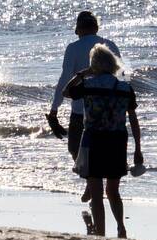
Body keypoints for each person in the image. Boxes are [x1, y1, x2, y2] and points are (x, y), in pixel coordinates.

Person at [63, 44, 143, 238]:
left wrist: (82, 74)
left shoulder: (88, 85)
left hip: (94, 141)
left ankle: (100, 233)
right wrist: (138, 148)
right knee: (113, 191)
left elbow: (66, 92)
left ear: (94, 65)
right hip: (117, 142)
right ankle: (121, 227)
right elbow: (133, 119)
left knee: (97, 193)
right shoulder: (125, 87)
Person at [48, 10, 120, 166]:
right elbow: (121, 79)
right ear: (96, 27)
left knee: (77, 153)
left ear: (78, 29)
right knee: (104, 157)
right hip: (108, 111)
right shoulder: (110, 45)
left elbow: (64, 79)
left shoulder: (73, 48)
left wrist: (54, 110)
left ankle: (91, 187)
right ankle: (93, 188)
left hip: (81, 112)